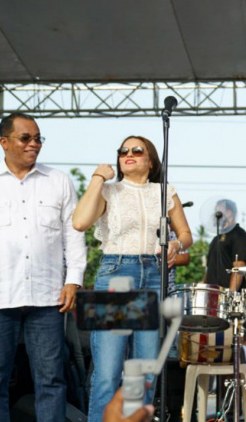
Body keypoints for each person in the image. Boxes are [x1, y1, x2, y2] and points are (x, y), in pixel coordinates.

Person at [0, 112, 87, 422]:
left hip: (48, 298)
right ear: (4, 142)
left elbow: (74, 235)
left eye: (38, 138)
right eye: (26, 138)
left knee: (52, 381)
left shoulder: (59, 180)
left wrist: (74, 281)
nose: (34, 144)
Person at [71, 135, 193, 422]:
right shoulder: (109, 191)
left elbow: (186, 234)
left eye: (137, 150)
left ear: (150, 161)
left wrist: (176, 244)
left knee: (142, 373)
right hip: (117, 275)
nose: (128, 154)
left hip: (153, 275)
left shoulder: (165, 191)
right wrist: (98, 179)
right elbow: (79, 222)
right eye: (123, 150)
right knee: (107, 371)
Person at [204, 199, 246, 291]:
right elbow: (209, 270)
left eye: (218, 211)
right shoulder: (215, 239)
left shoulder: (239, 235)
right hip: (213, 295)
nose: (215, 215)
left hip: (228, 297)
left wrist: (231, 295)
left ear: (229, 213)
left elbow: (239, 268)